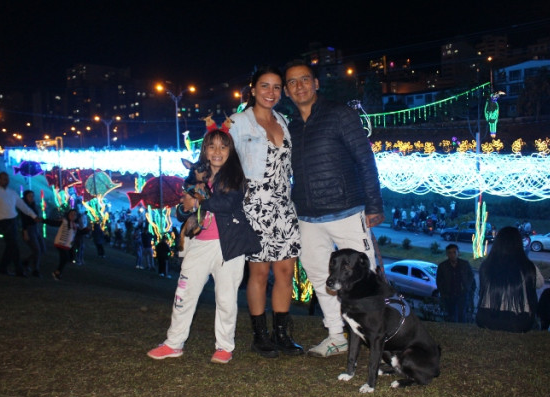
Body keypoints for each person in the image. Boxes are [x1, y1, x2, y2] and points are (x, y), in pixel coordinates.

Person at [283, 60, 385, 357]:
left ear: (316, 84)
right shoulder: (290, 128)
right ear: (287, 91)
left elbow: (366, 160)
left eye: (305, 79)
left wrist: (374, 205)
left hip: (348, 210)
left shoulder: (341, 114)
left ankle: (376, 336)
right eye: (292, 82)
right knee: (318, 275)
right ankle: (336, 335)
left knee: (366, 275)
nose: (299, 86)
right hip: (307, 216)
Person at [147, 129, 261, 364]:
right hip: (198, 244)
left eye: (223, 146)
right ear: (205, 150)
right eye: (212, 146)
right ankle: (173, 343)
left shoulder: (236, 177)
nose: (217, 152)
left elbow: (227, 203)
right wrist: (185, 207)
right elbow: (182, 212)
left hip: (228, 246)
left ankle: (224, 347)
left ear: (231, 151)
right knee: (184, 295)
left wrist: (199, 199)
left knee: (226, 299)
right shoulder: (194, 176)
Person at [229, 65, 304, 358]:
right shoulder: (237, 122)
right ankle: (260, 337)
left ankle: (282, 335)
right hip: (254, 205)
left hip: (284, 204)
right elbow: (221, 159)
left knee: (285, 271)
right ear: (252, 89)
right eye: (264, 86)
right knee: (258, 273)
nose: (270, 93)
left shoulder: (283, 120)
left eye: (276, 87)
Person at [476, 226, 544, 332]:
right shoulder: (528, 266)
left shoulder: (486, 265)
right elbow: (540, 283)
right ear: (519, 244)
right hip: (519, 321)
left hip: (486, 317)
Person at [0, 171, 40, 277]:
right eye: (4, 179)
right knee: (13, 245)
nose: (6, 181)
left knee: (11, 246)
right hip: (2, 222)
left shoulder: (12, 192)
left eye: (7, 179)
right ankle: (19, 270)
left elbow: (22, 206)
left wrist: (33, 215)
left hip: (13, 221)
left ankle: (3, 268)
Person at [436, 244, 476, 323]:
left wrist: (467, 288)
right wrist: (443, 293)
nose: (452, 255)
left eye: (454, 252)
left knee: (462, 316)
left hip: (462, 295)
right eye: (450, 253)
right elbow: (439, 280)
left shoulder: (465, 264)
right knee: (451, 316)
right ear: (447, 254)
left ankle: (461, 332)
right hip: (449, 296)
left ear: (458, 253)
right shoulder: (442, 266)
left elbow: (471, 276)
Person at [52, 209, 88, 280]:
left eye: (75, 214)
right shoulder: (64, 221)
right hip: (60, 243)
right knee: (65, 258)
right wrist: (43, 220)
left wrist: (87, 230)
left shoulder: (74, 225)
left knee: (66, 258)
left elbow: (79, 233)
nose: (73, 216)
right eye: (71, 214)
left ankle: (58, 272)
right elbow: (53, 223)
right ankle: (57, 273)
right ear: (68, 214)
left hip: (67, 245)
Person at [19, 190, 46, 278]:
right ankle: (35, 270)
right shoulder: (23, 207)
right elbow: (24, 220)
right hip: (29, 229)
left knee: (42, 249)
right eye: (29, 196)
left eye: (32, 196)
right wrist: (25, 232)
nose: (31, 198)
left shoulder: (33, 205)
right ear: (25, 197)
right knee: (37, 250)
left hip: (35, 229)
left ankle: (26, 262)